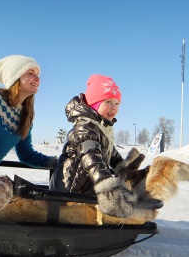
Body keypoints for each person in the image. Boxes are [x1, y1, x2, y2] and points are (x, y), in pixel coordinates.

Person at [51, 74, 139, 218]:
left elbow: (108, 150)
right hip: (68, 191)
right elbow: (91, 155)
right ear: (94, 104)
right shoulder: (84, 127)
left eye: (117, 103)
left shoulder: (101, 126)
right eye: (108, 102)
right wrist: (105, 183)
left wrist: (121, 165)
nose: (114, 108)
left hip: (86, 187)